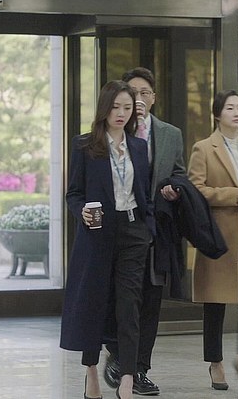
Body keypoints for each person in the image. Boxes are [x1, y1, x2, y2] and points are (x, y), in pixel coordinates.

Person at [60, 80, 155, 399]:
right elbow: (73, 193)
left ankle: (127, 378)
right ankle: (90, 371)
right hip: (97, 234)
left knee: (129, 305)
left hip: (133, 232)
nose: (121, 113)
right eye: (115, 107)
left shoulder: (138, 147)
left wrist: (148, 227)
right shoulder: (85, 145)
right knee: (94, 303)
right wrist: (82, 212)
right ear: (104, 108)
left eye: (127, 108)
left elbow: (144, 193)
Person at [103, 67, 185, 396]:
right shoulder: (111, 133)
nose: (138, 99)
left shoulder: (170, 134)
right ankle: (118, 355)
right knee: (121, 298)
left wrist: (174, 190)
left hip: (156, 230)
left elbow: (178, 173)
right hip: (121, 229)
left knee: (150, 301)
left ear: (154, 98)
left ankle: (139, 369)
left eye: (144, 93)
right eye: (132, 93)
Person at [187, 90, 238, 390]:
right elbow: (196, 190)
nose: (236, 113)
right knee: (215, 303)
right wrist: (232, 195)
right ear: (217, 114)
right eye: (230, 108)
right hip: (219, 237)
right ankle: (215, 363)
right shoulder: (204, 148)